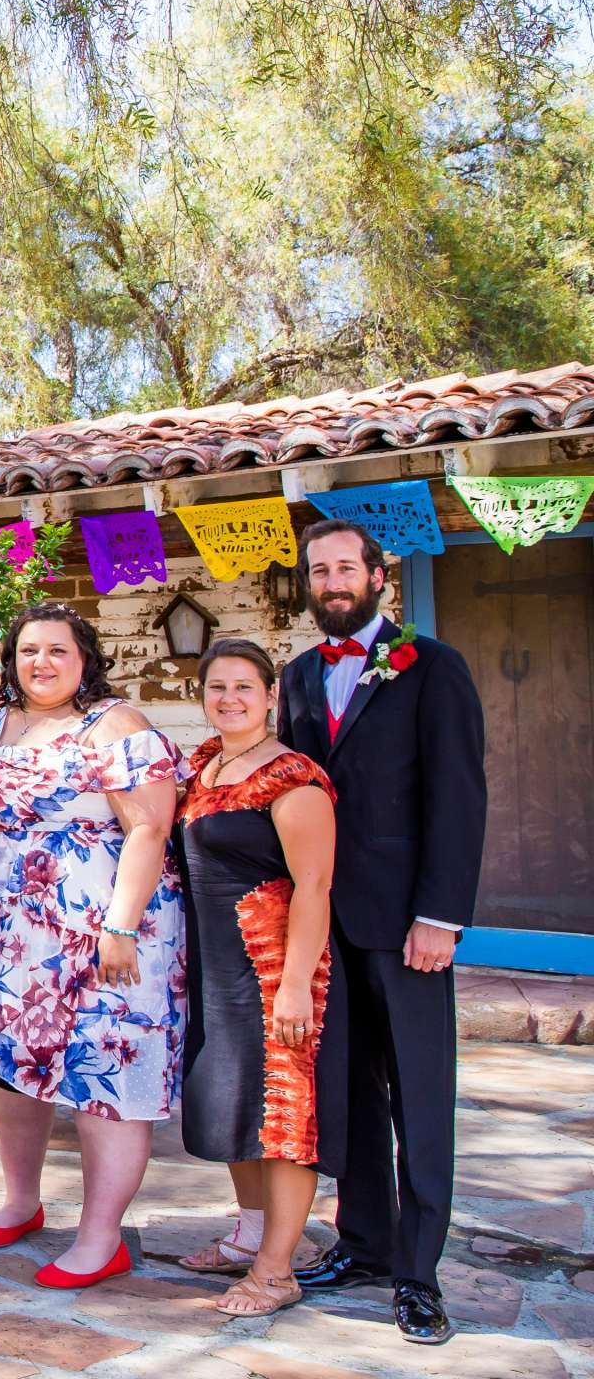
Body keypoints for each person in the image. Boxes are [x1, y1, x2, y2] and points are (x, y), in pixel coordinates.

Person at [0, 601, 187, 1290]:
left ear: (84, 659)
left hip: (104, 934)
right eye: (28, 650)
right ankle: (23, 1198)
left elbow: (148, 829)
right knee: (9, 1064)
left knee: (104, 1073)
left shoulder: (114, 725)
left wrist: (119, 925)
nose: (41, 662)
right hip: (6, 933)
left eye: (57, 650)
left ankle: (100, 1235)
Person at [283, 521, 486, 1346]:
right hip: (324, 926)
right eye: (318, 570)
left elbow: (459, 796)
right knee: (350, 1095)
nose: (332, 580)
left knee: (419, 1097)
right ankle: (362, 1244)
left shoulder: (432, 668)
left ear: (377, 575)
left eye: (345, 567)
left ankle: (419, 1272)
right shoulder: (296, 676)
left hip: (408, 927)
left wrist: (441, 917)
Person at [175, 638, 340, 1318]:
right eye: (218, 687)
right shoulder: (205, 766)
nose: (230, 699)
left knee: (282, 1115)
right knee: (232, 1101)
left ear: (271, 696)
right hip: (216, 967)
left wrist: (297, 981)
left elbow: (316, 884)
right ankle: (249, 1237)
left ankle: (278, 1271)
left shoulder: (293, 777)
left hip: (274, 966)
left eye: (245, 687)